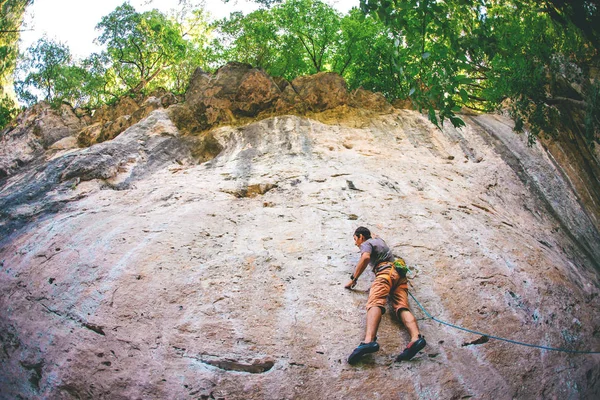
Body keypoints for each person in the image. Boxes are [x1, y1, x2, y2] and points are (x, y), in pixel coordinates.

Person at [345, 226, 426, 364]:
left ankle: (369, 341)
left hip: (385, 274)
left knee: (375, 301)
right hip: (399, 276)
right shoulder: (379, 241)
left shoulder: (366, 244)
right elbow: (375, 236)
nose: (356, 243)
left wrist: (354, 279)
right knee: (401, 307)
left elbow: (365, 258)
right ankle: (415, 338)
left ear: (361, 237)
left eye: (355, 239)